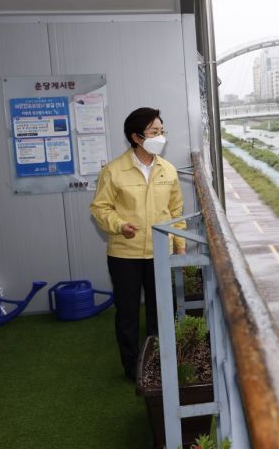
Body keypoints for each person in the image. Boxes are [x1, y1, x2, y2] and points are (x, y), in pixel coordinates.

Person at [90, 107, 185, 380]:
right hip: (125, 254)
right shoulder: (113, 171)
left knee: (160, 311)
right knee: (128, 314)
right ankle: (132, 367)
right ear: (136, 137)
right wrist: (119, 225)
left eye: (162, 131)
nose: (161, 137)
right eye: (155, 132)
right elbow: (100, 208)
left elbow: (175, 211)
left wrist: (179, 244)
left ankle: (159, 363)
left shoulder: (168, 170)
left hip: (160, 251)